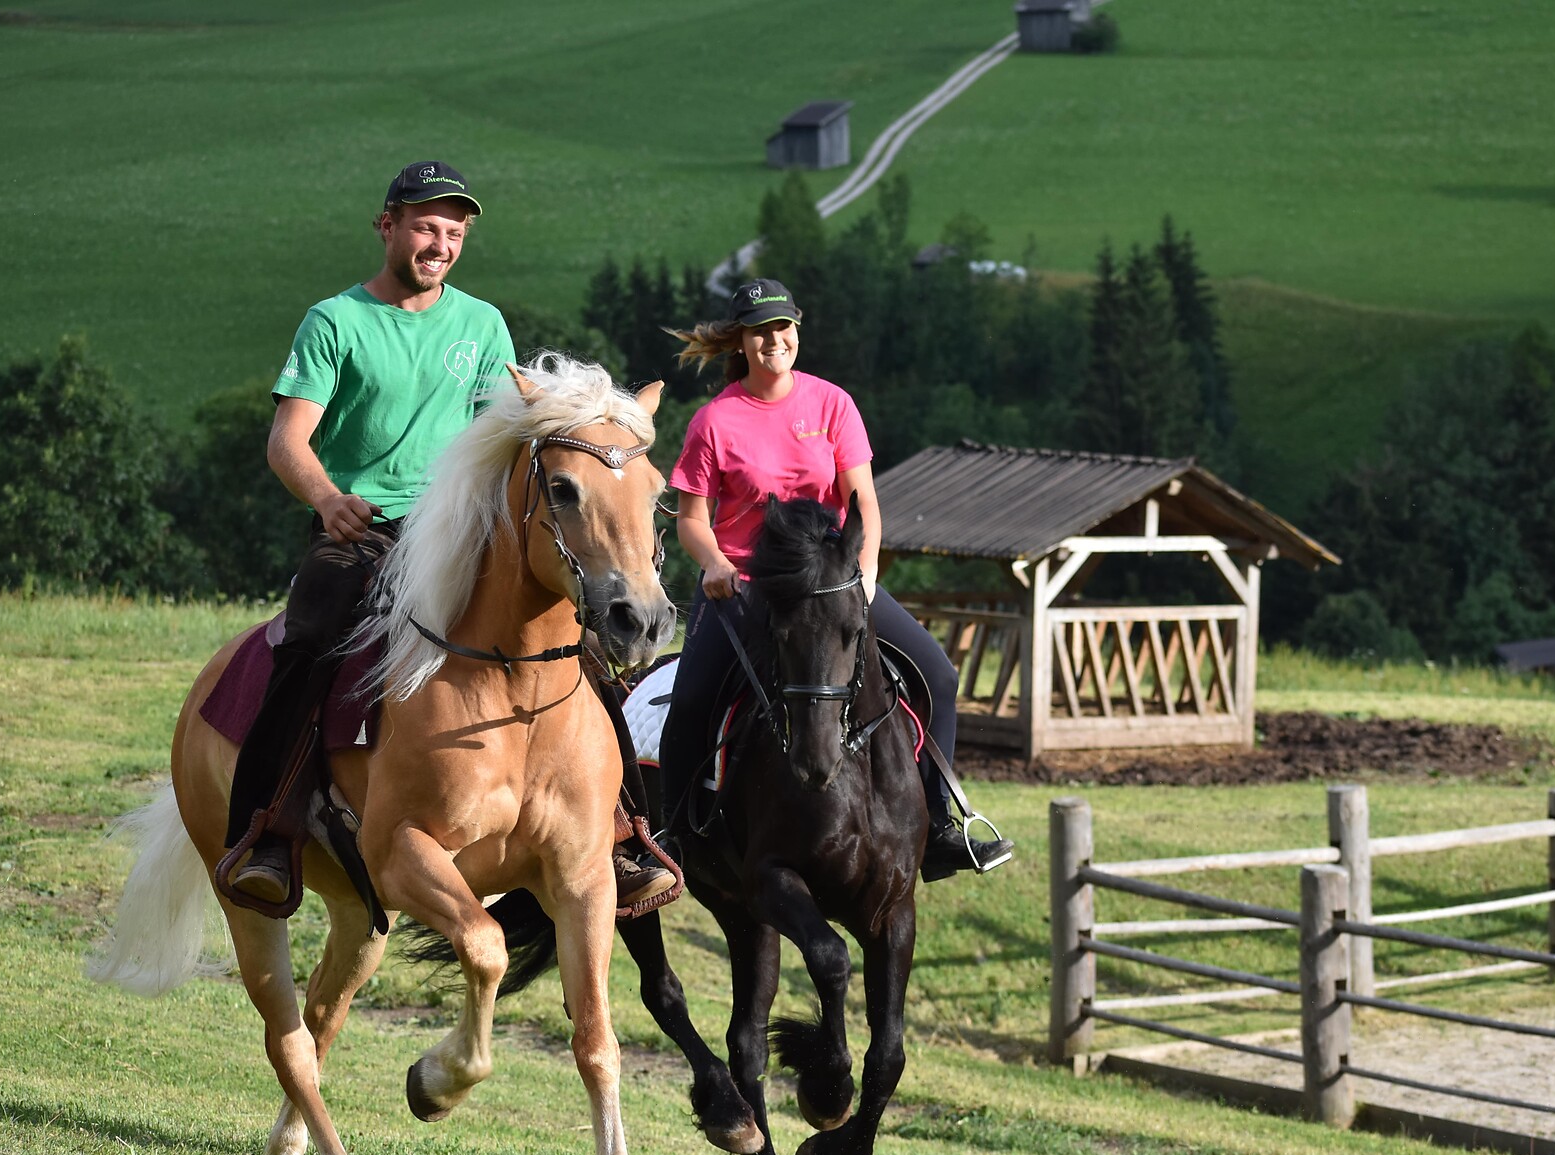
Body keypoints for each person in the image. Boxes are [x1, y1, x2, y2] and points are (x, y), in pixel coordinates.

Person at [220, 160, 676, 913]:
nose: (440, 245)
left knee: (584, 641)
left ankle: (623, 834)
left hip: (465, 533)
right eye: (426, 228)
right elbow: (287, 441)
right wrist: (328, 499)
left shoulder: (482, 324)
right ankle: (268, 828)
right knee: (310, 637)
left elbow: (501, 440)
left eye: (454, 233)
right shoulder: (334, 321)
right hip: (364, 528)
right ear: (387, 226)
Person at [658, 278, 1013, 882]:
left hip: (833, 581)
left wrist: (865, 575)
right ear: (740, 341)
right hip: (745, 583)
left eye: (783, 327)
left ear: (797, 330)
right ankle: (668, 838)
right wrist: (714, 563)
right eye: (760, 331)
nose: (774, 340)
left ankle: (941, 826)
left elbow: (864, 504)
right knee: (691, 700)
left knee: (940, 674)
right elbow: (692, 519)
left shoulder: (832, 404)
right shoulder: (714, 421)